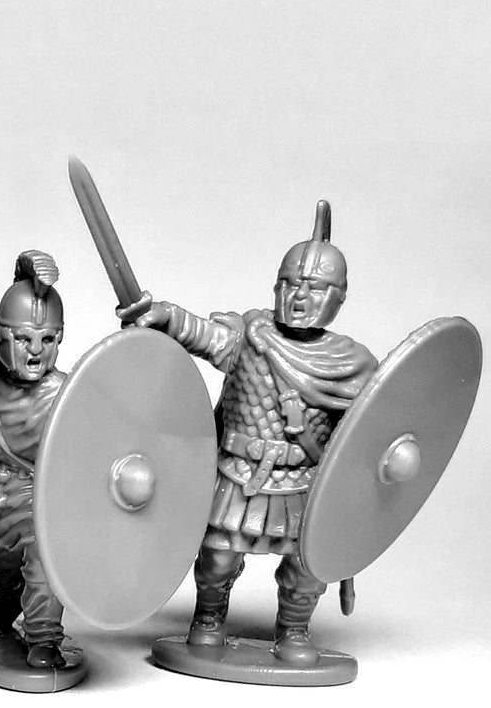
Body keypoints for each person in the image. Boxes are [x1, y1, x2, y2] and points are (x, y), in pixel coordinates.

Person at [118, 207, 377, 665]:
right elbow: (203, 335)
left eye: (314, 288)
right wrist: (167, 318)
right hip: (238, 474)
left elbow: (362, 441)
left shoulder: (352, 366)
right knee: (217, 557)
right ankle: (208, 621)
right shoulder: (250, 336)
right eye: (289, 284)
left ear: (338, 298)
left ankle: (293, 632)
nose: (299, 297)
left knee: (307, 566)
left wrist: (349, 495)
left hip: (304, 482)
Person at [0, 250, 71, 668]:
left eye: (47, 339)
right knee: (5, 564)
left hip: (38, 502)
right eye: (24, 339)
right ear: (0, 336)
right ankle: (9, 600)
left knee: (43, 562)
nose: (35, 351)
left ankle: (44, 636)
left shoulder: (65, 395)